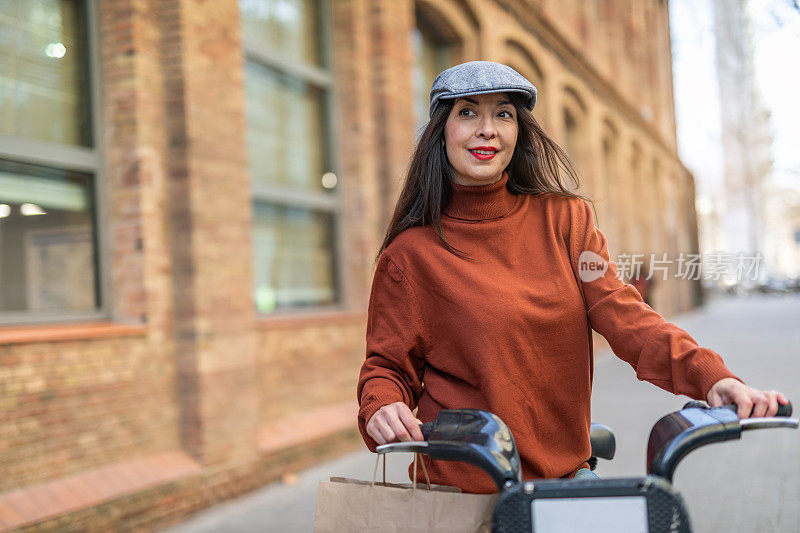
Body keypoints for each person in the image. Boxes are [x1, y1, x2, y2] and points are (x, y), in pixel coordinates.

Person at [356, 61, 788, 494]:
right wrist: (382, 404)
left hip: (564, 482)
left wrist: (713, 378)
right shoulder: (411, 255)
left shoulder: (566, 220)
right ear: (441, 131)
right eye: (467, 113)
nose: (487, 129)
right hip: (460, 491)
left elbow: (626, 316)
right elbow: (388, 367)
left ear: (518, 132)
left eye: (503, 114)